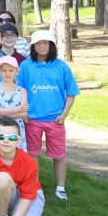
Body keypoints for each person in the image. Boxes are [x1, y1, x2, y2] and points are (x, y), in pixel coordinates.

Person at [19, 30, 78, 200]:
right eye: (38, 43)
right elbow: (20, 90)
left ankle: (60, 188)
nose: (42, 46)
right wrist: (23, 111)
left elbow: (71, 93)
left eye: (45, 43)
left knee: (59, 155)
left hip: (56, 120)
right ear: (33, 47)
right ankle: (35, 186)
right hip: (32, 119)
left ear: (51, 45)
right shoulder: (26, 66)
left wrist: (64, 114)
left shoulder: (61, 66)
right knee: (32, 154)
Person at [0, 56, 28, 150]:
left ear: (17, 71)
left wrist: (1, 111)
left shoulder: (22, 91)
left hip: (16, 127)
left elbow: (24, 113)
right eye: (4, 70)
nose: (7, 73)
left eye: (11, 70)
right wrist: (18, 109)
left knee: (15, 152)